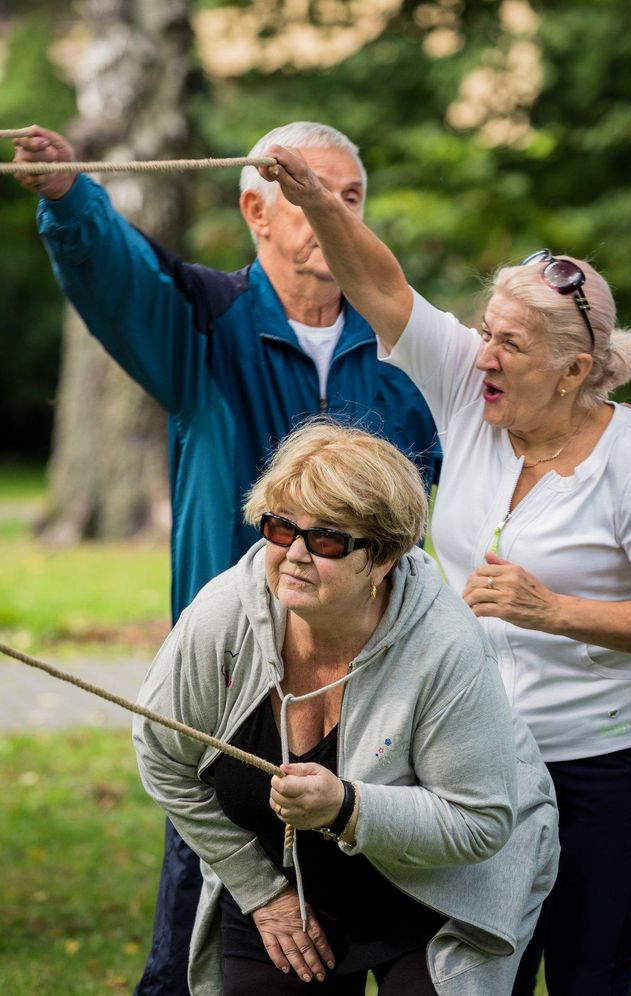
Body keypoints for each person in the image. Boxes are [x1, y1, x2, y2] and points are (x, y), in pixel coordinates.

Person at [11, 123, 440, 995]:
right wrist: (69, 196)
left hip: (382, 682)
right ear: (256, 208)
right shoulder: (205, 326)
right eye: (309, 191)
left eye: (350, 197)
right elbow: (118, 275)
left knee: (386, 912)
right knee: (202, 929)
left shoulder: (407, 347)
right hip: (237, 683)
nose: (332, 210)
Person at [259, 148, 631, 996]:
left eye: (509, 345)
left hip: (608, 767)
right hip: (475, 760)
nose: (483, 355)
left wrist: (554, 609)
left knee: (591, 978)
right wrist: (321, 206)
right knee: (478, 971)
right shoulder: (469, 397)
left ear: (575, 370)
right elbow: (384, 286)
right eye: (484, 332)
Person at [133, 419, 559, 996]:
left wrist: (347, 806)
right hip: (289, 882)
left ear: (381, 559)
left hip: (434, 888)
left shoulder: (444, 645)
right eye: (281, 529)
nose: (295, 555)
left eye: (328, 540)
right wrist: (261, 889)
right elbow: (163, 756)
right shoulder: (223, 616)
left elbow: (479, 821)